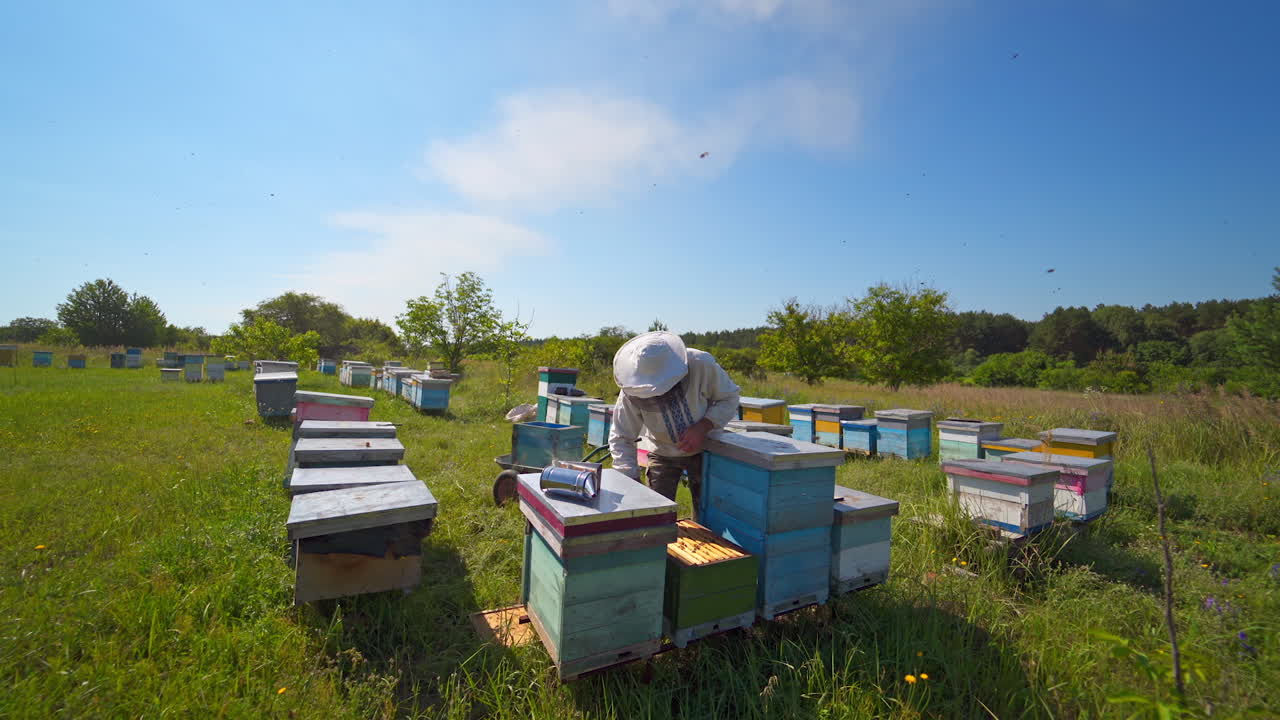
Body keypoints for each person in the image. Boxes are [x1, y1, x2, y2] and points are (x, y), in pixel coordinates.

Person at [607, 331, 741, 514]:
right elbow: (622, 437)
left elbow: (730, 397)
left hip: (706, 449)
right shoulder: (632, 386)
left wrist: (704, 425)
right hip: (661, 452)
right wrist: (630, 480)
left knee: (710, 516)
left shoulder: (700, 364)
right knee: (655, 516)